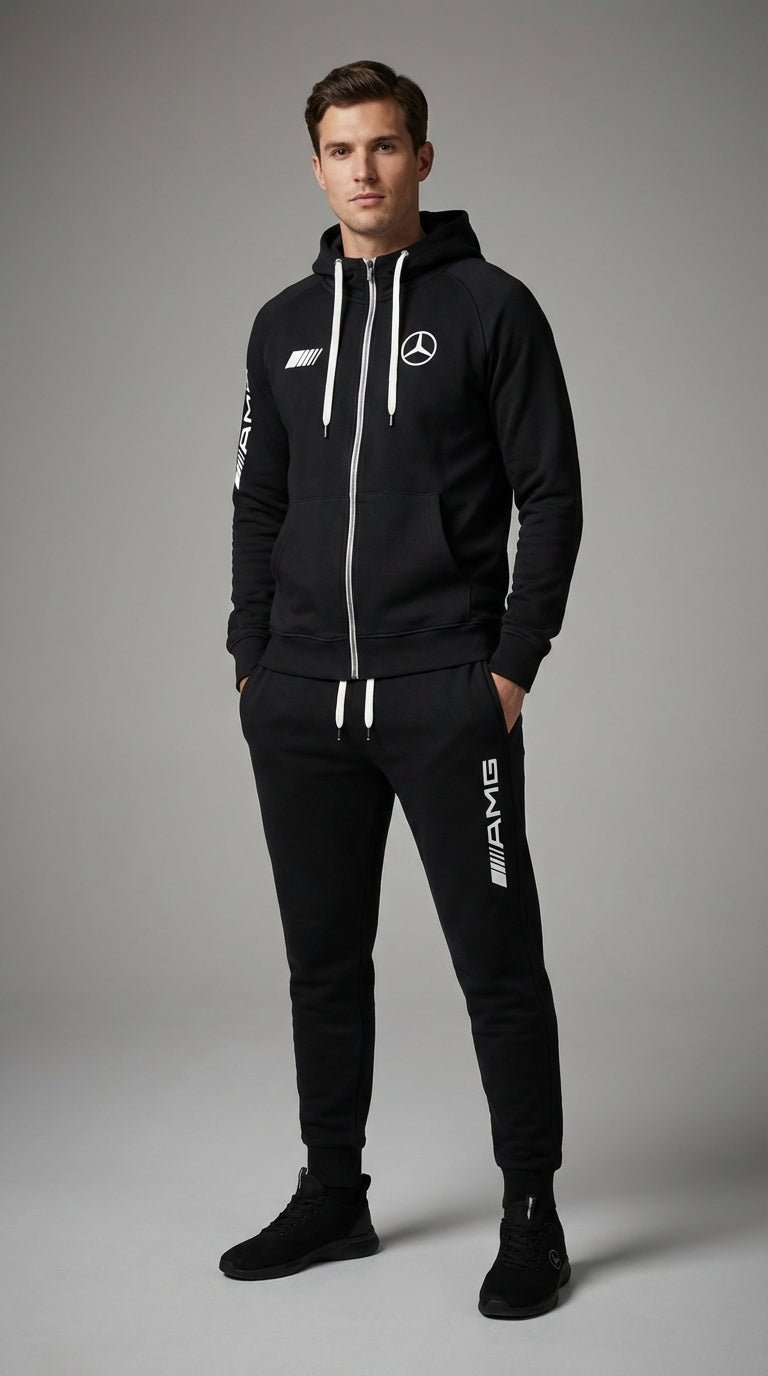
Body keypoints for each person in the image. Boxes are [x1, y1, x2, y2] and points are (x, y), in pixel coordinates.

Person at [220, 59, 582, 1320]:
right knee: (323, 964)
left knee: (498, 962)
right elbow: (257, 500)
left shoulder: (492, 307)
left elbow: (552, 493)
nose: (363, 169)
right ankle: (334, 1191)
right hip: (301, 700)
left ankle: (531, 1211)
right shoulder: (282, 323)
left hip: (444, 693)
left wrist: (510, 665)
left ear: (423, 157)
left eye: (383, 145)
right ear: (316, 166)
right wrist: (252, 657)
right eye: (341, 149)